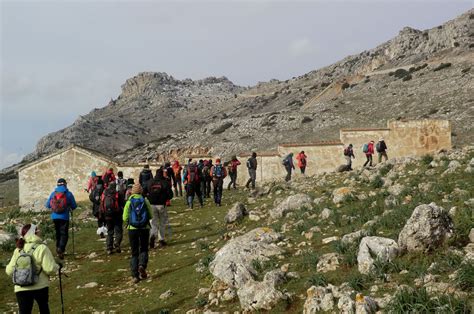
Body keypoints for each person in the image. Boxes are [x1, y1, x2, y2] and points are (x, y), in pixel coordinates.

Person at [6, 224, 61, 314]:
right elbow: (49, 269)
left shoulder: (18, 250)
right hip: (40, 286)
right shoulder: (42, 248)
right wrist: (58, 267)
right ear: (34, 233)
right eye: (37, 230)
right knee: (44, 309)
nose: (40, 231)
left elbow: (9, 271)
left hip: (21, 287)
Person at [122, 183, 153, 284]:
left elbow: (124, 217)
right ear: (141, 191)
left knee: (134, 252)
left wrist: (129, 222)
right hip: (144, 228)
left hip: (132, 229)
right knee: (144, 248)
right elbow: (151, 215)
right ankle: (142, 265)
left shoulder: (129, 202)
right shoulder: (144, 200)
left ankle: (135, 276)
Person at [45, 178, 77, 259]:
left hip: (54, 216)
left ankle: (58, 249)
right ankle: (61, 249)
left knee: (58, 233)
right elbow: (74, 206)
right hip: (64, 217)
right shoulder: (68, 194)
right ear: (65, 184)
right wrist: (69, 207)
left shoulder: (53, 194)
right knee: (64, 234)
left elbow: (48, 205)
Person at [147, 168, 173, 249]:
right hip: (162, 205)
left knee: (153, 223)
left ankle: (152, 236)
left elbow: (144, 191)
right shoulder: (165, 183)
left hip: (151, 205)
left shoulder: (150, 182)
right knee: (162, 222)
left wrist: (149, 197)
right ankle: (161, 239)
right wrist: (165, 198)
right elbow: (170, 195)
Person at [101, 182, 122, 255]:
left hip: (107, 216)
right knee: (118, 230)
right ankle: (117, 243)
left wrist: (102, 215)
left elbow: (101, 204)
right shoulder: (117, 194)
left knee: (110, 231)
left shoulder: (104, 193)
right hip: (117, 215)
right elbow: (122, 204)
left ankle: (109, 248)